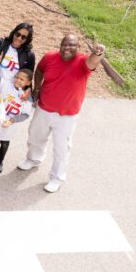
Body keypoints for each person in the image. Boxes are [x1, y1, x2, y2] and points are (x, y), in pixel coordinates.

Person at [17, 34, 105, 193]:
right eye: (64, 44)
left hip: (67, 115)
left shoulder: (83, 62)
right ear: (60, 45)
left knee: (61, 148)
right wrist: (37, 88)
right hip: (44, 108)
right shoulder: (50, 56)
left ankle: (57, 177)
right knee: (35, 137)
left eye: (72, 45)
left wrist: (97, 54)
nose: (67, 48)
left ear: (78, 48)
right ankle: (33, 159)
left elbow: (93, 62)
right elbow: (40, 69)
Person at [0, 68, 33, 173]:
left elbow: (25, 114)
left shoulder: (27, 97)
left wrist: (12, 120)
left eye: (22, 79)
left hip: (10, 123)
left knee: (5, 143)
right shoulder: (6, 85)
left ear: (28, 82)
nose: (18, 80)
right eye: (17, 77)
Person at [0, 15, 36, 85]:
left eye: (23, 37)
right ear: (14, 33)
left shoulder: (29, 55)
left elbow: (28, 76)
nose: (19, 38)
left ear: (27, 40)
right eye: (18, 34)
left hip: (11, 91)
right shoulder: (1, 43)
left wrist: (28, 90)